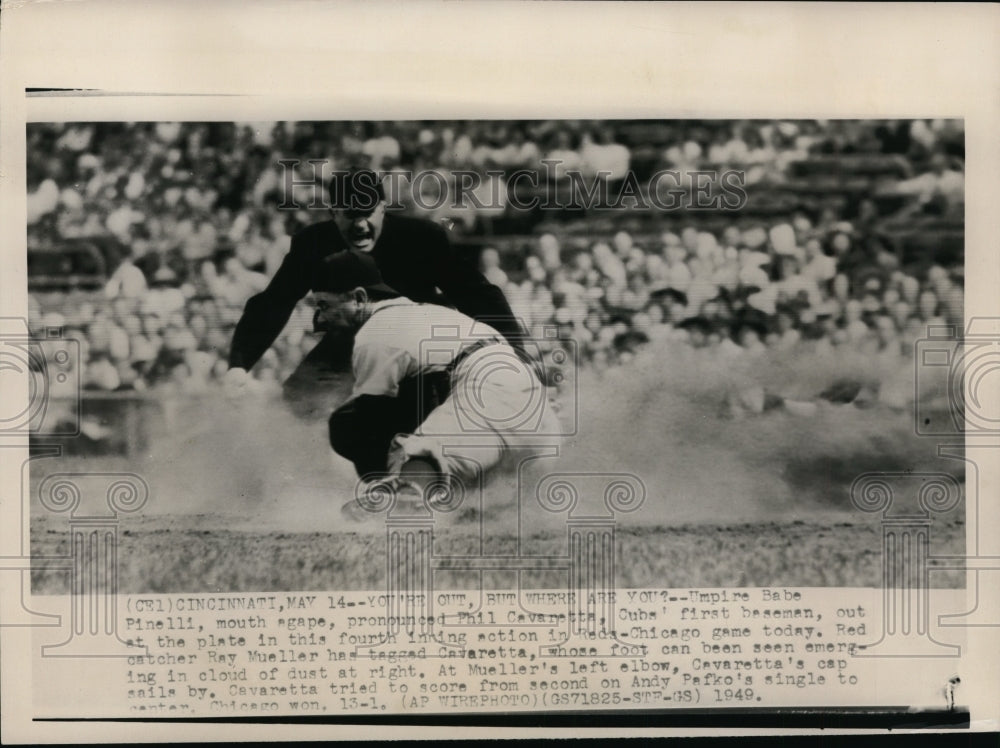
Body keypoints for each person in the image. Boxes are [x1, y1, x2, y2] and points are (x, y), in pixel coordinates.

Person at [224, 169, 527, 421]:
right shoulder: (312, 244)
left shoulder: (421, 237)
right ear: (332, 213)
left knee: (405, 413)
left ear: (383, 207)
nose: (360, 225)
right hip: (350, 343)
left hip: (416, 343)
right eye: (349, 215)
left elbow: (477, 294)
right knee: (298, 402)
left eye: (367, 213)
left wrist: (517, 355)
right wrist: (239, 364)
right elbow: (274, 301)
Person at [315, 251, 561, 519]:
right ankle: (456, 503)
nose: (321, 319)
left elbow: (369, 421)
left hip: (488, 398)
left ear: (360, 298)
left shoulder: (375, 333)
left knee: (347, 424)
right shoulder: (433, 313)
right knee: (484, 513)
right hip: (539, 426)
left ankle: (401, 495)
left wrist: (381, 474)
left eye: (325, 305)